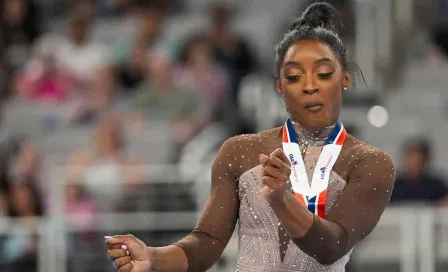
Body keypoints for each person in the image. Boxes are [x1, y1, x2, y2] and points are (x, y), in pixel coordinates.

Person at [104, 3, 395, 272]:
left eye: (323, 74)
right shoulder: (240, 151)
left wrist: (282, 200)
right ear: (279, 85)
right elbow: (206, 243)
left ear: (344, 78)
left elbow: (331, 246)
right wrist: (154, 257)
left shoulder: (368, 163)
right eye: (294, 77)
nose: (309, 87)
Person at [390, 137, 448, 205]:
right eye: (410, 159)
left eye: (418, 161)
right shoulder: (393, 185)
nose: (413, 164)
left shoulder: (436, 185)